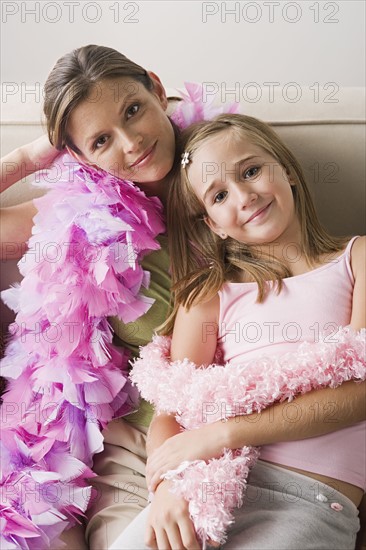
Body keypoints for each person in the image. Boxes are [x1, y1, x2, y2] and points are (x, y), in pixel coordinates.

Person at [0, 48, 365, 549]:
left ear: (156, 87)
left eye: (132, 109)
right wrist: (28, 158)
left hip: (253, 452)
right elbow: (172, 404)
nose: (132, 143)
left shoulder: (230, 161)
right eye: (102, 139)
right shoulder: (80, 218)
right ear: (81, 155)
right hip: (148, 444)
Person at [114, 114, 365, 550]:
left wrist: (224, 433)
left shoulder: (356, 258)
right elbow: (171, 411)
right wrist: (168, 486)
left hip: (308, 498)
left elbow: (361, 391)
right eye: (220, 194)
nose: (245, 196)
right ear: (213, 223)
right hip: (204, 486)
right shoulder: (210, 293)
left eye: (250, 171)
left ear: (285, 167)